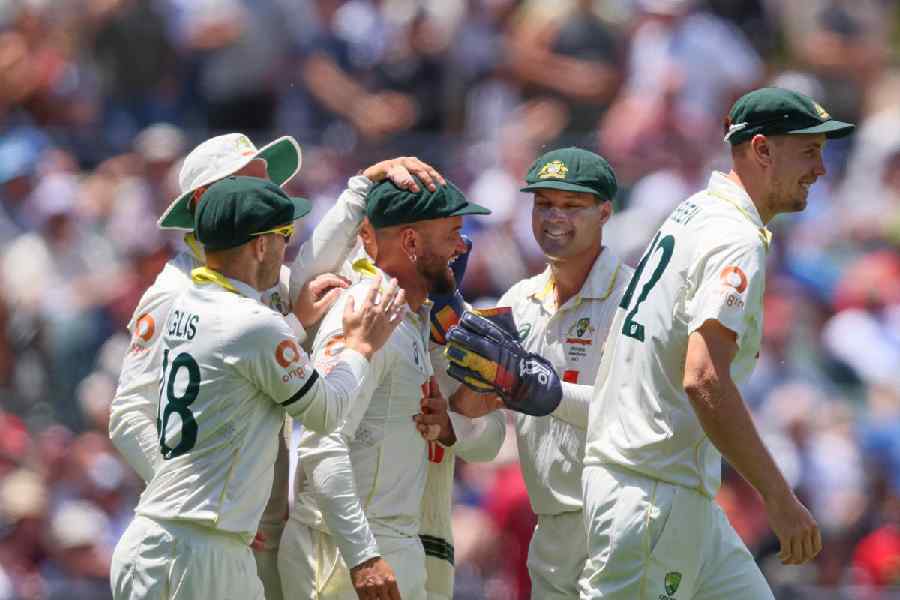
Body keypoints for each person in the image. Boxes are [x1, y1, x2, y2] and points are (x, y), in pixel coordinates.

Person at [108, 132, 443, 599]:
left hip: (247, 523)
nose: (276, 196)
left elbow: (305, 276)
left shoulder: (252, 284)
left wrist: (360, 189)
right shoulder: (171, 293)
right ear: (212, 201)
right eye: (256, 185)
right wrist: (199, 501)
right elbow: (127, 415)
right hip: (208, 528)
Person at [581, 87, 854, 599]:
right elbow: (703, 377)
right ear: (763, 150)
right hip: (652, 493)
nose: (820, 169)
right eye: (809, 151)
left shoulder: (696, 210)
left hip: (672, 490)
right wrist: (778, 496)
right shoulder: (735, 237)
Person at [277, 178, 494, 600]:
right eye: (452, 234)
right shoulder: (368, 312)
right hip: (346, 554)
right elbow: (323, 443)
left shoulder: (409, 317)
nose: (461, 248)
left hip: (384, 543)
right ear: (411, 241)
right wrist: (363, 556)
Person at [447, 147, 632, 599]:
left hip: (619, 519)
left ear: (605, 212)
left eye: (572, 206)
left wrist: (535, 387)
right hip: (548, 527)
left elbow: (635, 414)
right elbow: (479, 421)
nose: (554, 217)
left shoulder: (634, 299)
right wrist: (462, 399)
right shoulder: (517, 300)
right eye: (544, 203)